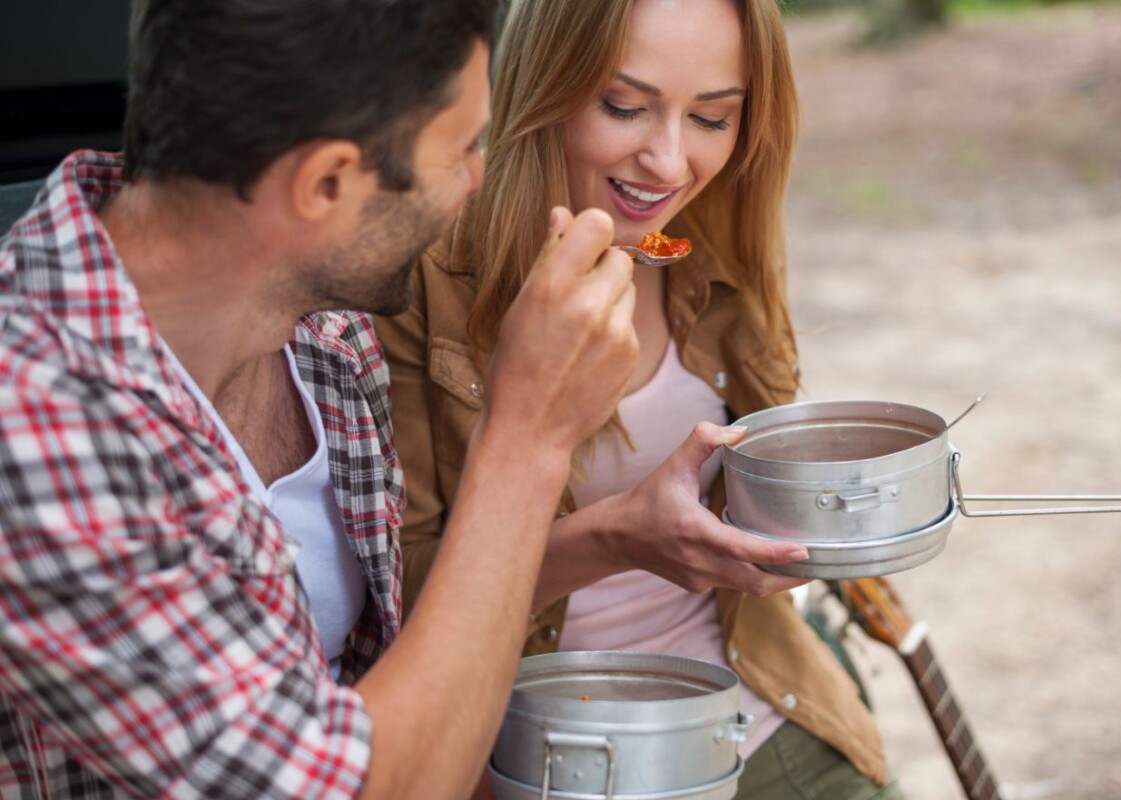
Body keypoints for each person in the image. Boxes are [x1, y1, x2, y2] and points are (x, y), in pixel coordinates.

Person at [0, 1, 641, 798]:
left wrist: (615, 535)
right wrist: (528, 437)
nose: (479, 179)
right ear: (327, 182)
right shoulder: (34, 432)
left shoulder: (326, 329)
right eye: (463, 146)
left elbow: (397, 663)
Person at [375, 0, 904, 797]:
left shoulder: (712, 238)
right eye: (623, 107)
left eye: (713, 118)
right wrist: (618, 538)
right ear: (541, 85)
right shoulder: (415, 281)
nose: (668, 163)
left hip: (759, 709)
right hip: (550, 760)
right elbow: (398, 608)